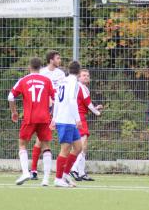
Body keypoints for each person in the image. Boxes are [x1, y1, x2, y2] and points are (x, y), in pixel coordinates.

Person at [8, 57, 55, 186]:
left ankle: (25, 172)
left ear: (29, 67)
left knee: (22, 144)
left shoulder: (23, 80)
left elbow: (10, 96)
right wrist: (53, 116)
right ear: (40, 68)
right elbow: (55, 99)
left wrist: (14, 112)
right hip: (44, 118)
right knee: (46, 147)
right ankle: (45, 179)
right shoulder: (47, 80)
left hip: (29, 117)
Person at [30, 50, 67, 180]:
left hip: (60, 110)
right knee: (41, 140)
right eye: (58, 58)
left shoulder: (61, 74)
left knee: (68, 140)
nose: (60, 60)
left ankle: (69, 171)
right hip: (46, 110)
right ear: (51, 60)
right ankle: (33, 170)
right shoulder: (42, 73)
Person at [51, 60, 83, 188]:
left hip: (65, 119)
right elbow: (71, 100)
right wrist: (77, 118)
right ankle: (58, 179)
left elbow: (57, 100)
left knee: (78, 147)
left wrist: (54, 117)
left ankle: (65, 174)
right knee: (65, 149)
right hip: (66, 120)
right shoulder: (74, 82)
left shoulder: (63, 81)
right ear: (79, 72)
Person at [70, 68, 103, 181]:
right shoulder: (81, 87)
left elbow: (85, 104)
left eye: (87, 75)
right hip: (79, 118)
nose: (86, 77)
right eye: (83, 75)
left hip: (78, 117)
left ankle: (81, 173)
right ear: (79, 77)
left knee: (82, 146)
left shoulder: (82, 88)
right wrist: (97, 112)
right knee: (81, 145)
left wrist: (94, 108)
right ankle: (73, 168)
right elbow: (88, 104)